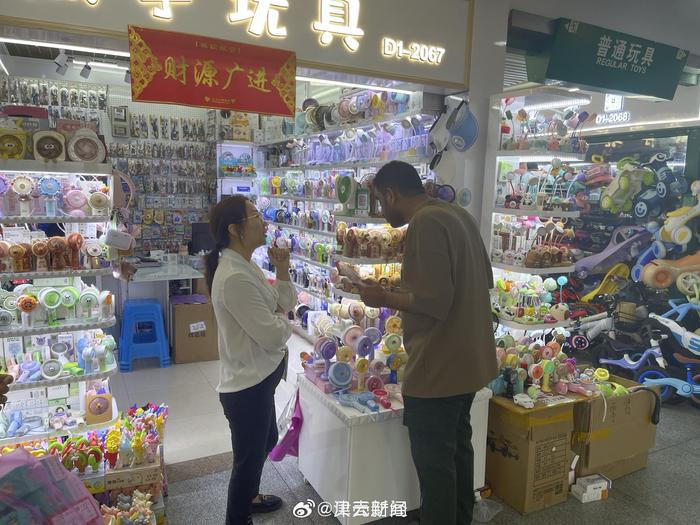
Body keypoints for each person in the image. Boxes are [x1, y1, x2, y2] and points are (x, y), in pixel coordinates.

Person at [356, 161, 498, 525]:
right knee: (458, 452)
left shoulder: (425, 223)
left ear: (391, 194)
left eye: (379, 201)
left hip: (438, 367)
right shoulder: (458, 215)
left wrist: (381, 297)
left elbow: (434, 302)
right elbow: (478, 279)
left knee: (435, 471)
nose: (381, 210)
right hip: (469, 362)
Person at [205, 196, 297, 525]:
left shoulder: (246, 264)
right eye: (256, 215)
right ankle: (238, 516)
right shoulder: (234, 276)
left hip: (259, 378)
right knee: (248, 460)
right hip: (246, 386)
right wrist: (286, 320)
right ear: (235, 229)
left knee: (265, 441)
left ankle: (251, 498)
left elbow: (284, 301)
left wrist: (282, 270)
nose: (264, 221)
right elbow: (273, 334)